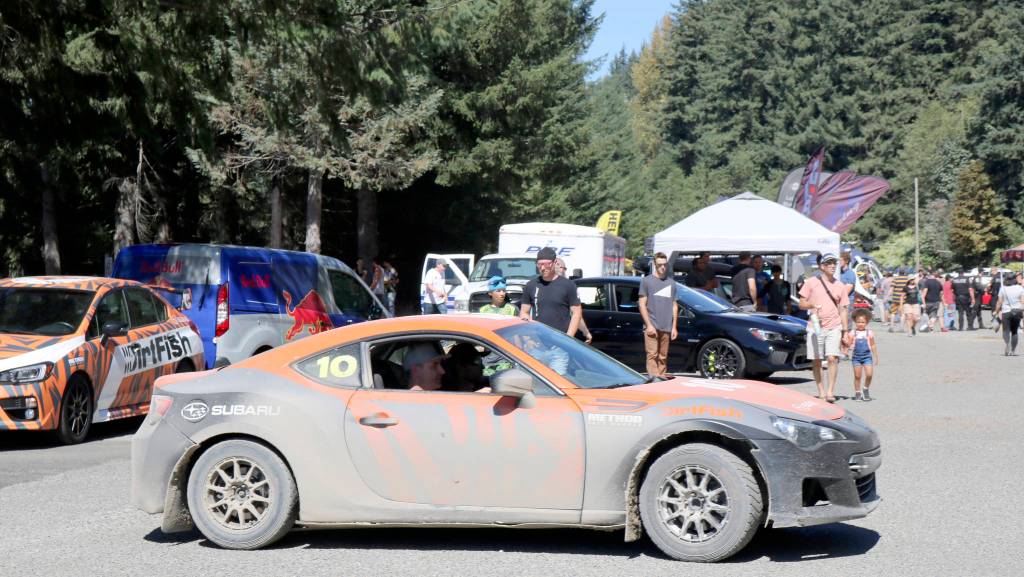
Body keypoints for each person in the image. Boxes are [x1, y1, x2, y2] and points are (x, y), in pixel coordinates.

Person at [798, 253, 849, 402]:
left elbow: (844, 310)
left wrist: (845, 332)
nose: (833, 265)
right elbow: (801, 303)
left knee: (832, 358)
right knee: (817, 360)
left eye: (834, 263)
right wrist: (812, 305)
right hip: (815, 326)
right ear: (822, 266)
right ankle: (821, 391)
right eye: (829, 263)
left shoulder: (840, 286)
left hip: (834, 326)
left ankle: (830, 391)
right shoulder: (811, 282)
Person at [520, 247, 583, 339]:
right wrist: (528, 336)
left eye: (546, 264)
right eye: (539, 264)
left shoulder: (568, 285)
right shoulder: (531, 285)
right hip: (538, 341)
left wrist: (568, 338)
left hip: (561, 341)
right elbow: (524, 312)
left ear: (554, 263)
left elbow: (577, 313)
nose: (542, 268)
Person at [638, 252, 678, 377]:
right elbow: (641, 304)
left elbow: (674, 306)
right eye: (660, 265)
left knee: (663, 356)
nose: (662, 267)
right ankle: (655, 381)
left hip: (666, 326)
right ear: (655, 265)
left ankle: (661, 379)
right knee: (652, 355)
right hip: (652, 325)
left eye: (664, 265)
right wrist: (648, 325)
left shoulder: (671, 283)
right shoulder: (646, 281)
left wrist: (674, 327)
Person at [842, 308, 878, 401]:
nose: (860, 324)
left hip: (867, 357)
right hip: (856, 357)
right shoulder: (852, 333)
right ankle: (857, 392)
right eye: (858, 322)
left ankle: (865, 389)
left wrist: (875, 356)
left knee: (869, 374)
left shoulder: (869, 333)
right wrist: (845, 345)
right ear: (855, 322)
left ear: (867, 322)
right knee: (857, 376)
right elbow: (849, 344)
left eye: (862, 322)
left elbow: (873, 345)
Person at [554, 258, 593, 343]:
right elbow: (575, 314)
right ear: (555, 265)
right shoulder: (569, 286)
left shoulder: (539, 285)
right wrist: (586, 333)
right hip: (560, 338)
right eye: (563, 268)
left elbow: (576, 314)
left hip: (541, 337)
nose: (564, 271)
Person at [992, 273, 1024, 356]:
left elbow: (999, 302)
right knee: (1015, 332)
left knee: (1006, 331)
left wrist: (996, 311)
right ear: (1015, 279)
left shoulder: (1003, 289)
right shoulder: (1020, 288)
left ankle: (1007, 343)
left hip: (1006, 312)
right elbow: (1023, 301)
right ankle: (1013, 350)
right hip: (1017, 311)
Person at [840, 252, 858, 326]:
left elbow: (846, 292)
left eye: (840, 260)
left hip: (847, 302)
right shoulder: (838, 273)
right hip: (839, 302)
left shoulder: (850, 274)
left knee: (847, 323)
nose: (838, 263)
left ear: (846, 261)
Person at [889, 268, 909, 332]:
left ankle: (891, 327)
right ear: (904, 272)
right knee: (902, 313)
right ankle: (901, 328)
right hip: (904, 299)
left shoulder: (895, 279)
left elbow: (891, 289)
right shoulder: (907, 279)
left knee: (893, 313)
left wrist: (887, 296)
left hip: (895, 298)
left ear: (898, 272)